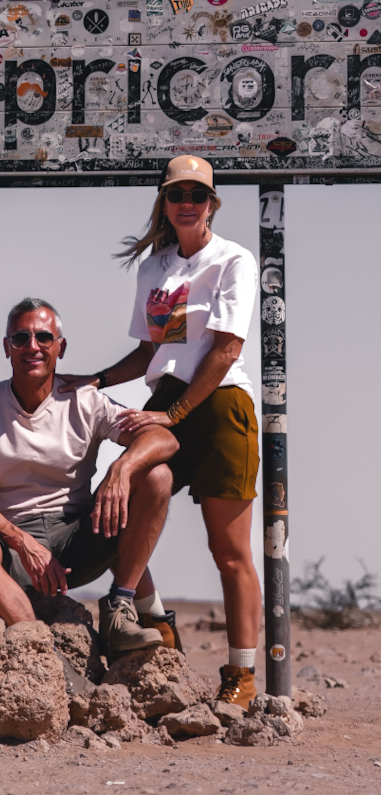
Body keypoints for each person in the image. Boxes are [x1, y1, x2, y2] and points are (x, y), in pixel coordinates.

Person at [60, 155, 261, 710]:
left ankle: (241, 675)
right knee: (117, 504)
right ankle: (152, 619)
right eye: (177, 194)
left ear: (212, 203)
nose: (187, 203)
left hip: (219, 404)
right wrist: (98, 379)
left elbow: (225, 350)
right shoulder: (155, 268)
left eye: (198, 194)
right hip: (165, 401)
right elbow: (152, 351)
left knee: (229, 551)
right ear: (164, 202)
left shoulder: (233, 260)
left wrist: (174, 415)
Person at [0, 298, 179, 658]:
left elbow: (164, 439)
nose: (32, 347)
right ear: (7, 348)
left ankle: (120, 611)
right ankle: (45, 654)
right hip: (12, 550)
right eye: (21, 338)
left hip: (77, 541)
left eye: (44, 337)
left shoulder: (85, 401)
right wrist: (22, 542)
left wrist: (121, 469)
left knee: (157, 476)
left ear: (61, 347)